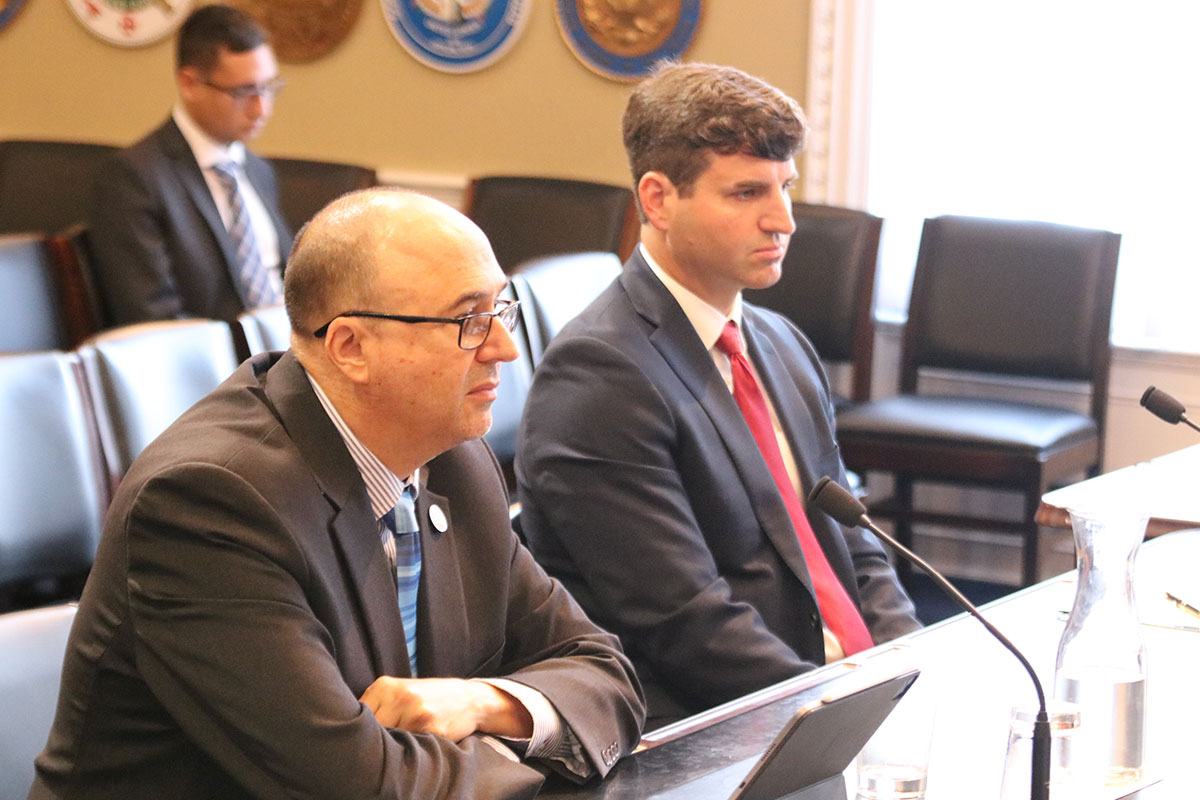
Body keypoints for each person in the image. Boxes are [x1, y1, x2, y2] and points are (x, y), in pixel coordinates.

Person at [30, 189, 645, 799]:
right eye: (468, 321)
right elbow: (363, 786)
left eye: (500, 311)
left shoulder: (453, 459)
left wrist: (485, 701)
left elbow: (605, 675)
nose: (505, 348)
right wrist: (541, 737)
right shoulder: (208, 503)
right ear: (351, 347)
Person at [515, 62, 922, 728]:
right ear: (657, 200)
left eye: (785, 187)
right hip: (719, 732)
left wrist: (913, 663)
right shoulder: (599, 376)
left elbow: (857, 546)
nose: (784, 219)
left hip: (839, 698)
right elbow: (686, 625)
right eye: (746, 193)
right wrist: (844, 712)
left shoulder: (782, 345)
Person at [87, 4, 292, 325]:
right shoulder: (133, 178)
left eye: (268, 88)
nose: (261, 109)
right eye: (244, 91)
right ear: (190, 83)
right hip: (216, 367)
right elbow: (152, 318)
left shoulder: (257, 170)